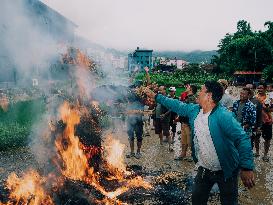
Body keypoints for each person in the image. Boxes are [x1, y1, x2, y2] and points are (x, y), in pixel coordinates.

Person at [144, 81, 255, 205]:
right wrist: (156, 96)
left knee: (229, 202)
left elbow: (242, 139)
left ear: (209, 96)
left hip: (226, 170)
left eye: (201, 91)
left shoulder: (224, 116)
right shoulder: (195, 111)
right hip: (204, 169)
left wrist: (246, 167)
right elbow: (176, 105)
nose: (198, 94)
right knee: (197, 200)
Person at [175, 84, 197, 161]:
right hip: (184, 123)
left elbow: (187, 111)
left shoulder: (192, 99)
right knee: (184, 140)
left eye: (187, 87)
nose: (186, 88)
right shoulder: (188, 98)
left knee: (190, 141)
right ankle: (183, 154)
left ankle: (192, 155)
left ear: (190, 89)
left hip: (188, 124)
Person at [125, 89, 145, 159]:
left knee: (139, 138)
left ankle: (138, 152)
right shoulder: (128, 103)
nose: (128, 101)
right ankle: (132, 152)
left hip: (138, 122)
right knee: (131, 137)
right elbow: (126, 111)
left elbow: (142, 112)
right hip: (129, 122)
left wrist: (136, 112)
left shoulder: (139, 102)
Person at [154, 86, 172, 151]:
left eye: (161, 90)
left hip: (164, 118)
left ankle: (170, 146)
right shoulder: (158, 97)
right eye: (159, 90)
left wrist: (164, 114)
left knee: (166, 132)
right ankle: (161, 143)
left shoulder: (168, 98)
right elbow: (156, 105)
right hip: (157, 117)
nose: (160, 91)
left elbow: (171, 108)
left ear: (165, 90)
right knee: (159, 131)